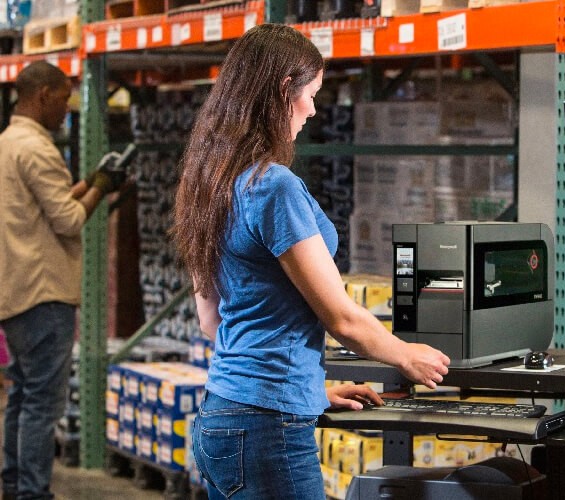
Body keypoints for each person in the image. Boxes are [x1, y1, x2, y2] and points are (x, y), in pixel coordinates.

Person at [170, 24, 451, 499]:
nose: (314, 110)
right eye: (312, 94)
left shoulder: (208, 183)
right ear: (285, 91)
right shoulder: (274, 187)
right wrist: (408, 355)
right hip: (265, 430)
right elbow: (341, 317)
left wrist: (308, 391)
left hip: (222, 417)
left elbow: (211, 321)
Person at [0, 61, 125, 500]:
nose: (66, 107)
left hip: (15, 290)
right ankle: (32, 493)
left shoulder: (8, 144)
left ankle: (14, 484)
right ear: (43, 95)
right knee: (41, 402)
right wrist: (102, 187)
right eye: (63, 97)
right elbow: (69, 221)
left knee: (22, 394)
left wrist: (84, 184)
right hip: (44, 292)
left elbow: (40, 209)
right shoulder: (37, 148)